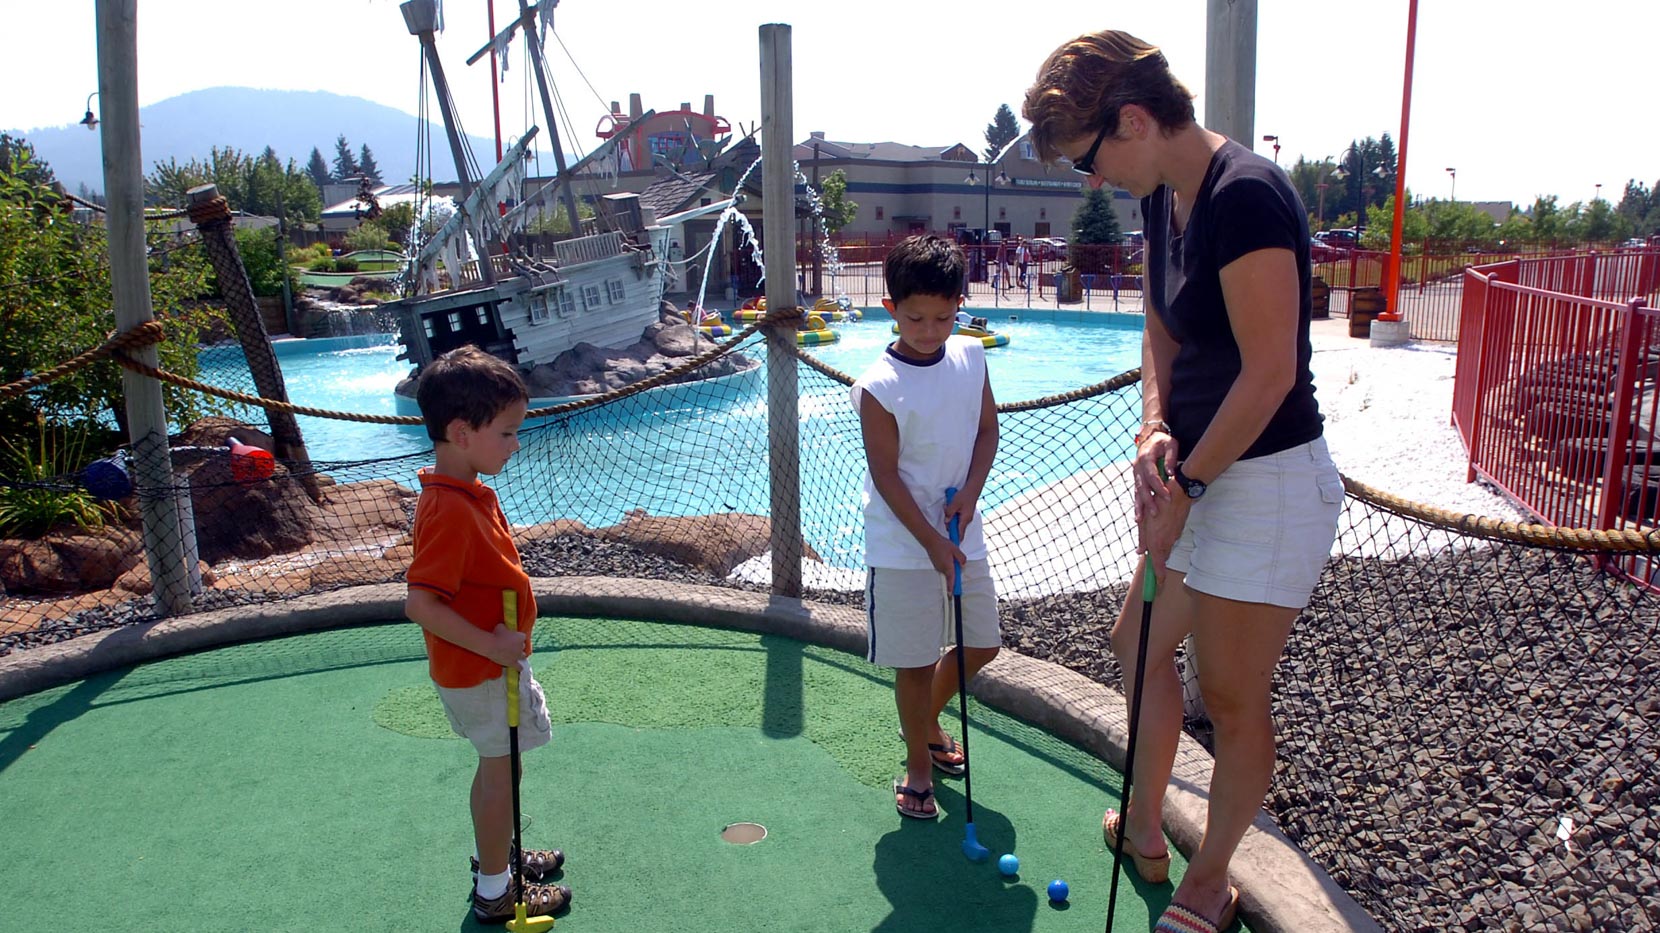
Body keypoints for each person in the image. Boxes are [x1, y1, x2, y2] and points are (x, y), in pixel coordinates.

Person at [1023, 30, 1342, 933]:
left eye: (1089, 158)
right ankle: (1150, 834)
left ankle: (1210, 876)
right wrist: (1152, 429)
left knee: (1233, 696)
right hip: (1200, 466)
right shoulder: (1164, 196)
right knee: (1136, 646)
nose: (1090, 180)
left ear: (1132, 119)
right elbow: (1161, 333)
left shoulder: (1245, 197)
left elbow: (1270, 372)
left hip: (1267, 479)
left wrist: (1188, 490)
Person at [404, 345, 572, 923]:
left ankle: (498, 857)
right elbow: (421, 604)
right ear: (461, 431)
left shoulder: (464, 491)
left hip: (487, 665)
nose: (515, 443)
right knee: (499, 771)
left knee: (501, 766)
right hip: (480, 669)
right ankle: (496, 891)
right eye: (506, 432)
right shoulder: (448, 510)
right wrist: (493, 646)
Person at [851, 234, 1002, 819]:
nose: (930, 329)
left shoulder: (970, 355)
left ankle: (926, 723)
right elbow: (886, 477)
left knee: (982, 644)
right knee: (913, 662)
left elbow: (987, 430)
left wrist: (969, 493)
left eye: (944, 316)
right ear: (891, 310)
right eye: (915, 317)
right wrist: (934, 544)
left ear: (959, 306)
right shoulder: (878, 386)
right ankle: (918, 764)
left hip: (963, 531)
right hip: (901, 544)